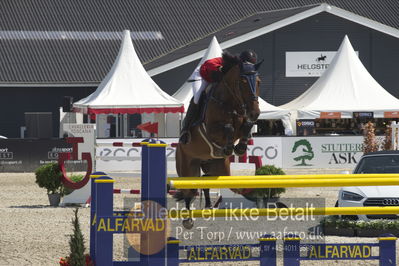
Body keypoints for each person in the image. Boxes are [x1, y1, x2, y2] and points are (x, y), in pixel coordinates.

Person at [179, 50, 258, 144]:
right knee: (197, 98)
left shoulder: (241, 73)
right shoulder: (228, 62)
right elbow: (209, 63)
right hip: (203, 75)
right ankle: (186, 129)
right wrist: (219, 68)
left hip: (215, 78)